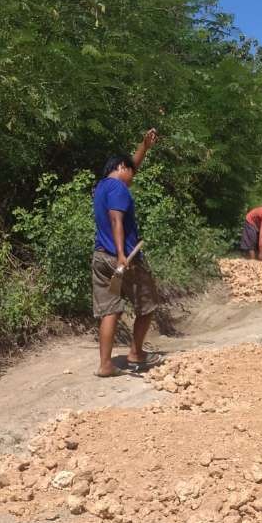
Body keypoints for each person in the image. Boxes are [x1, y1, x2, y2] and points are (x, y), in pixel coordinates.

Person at [92, 128, 164, 378]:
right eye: (131, 172)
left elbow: (132, 166)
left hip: (100, 257)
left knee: (109, 310)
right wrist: (123, 254)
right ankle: (135, 353)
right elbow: (116, 220)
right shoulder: (119, 189)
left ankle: (105, 365)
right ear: (122, 168)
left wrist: (144, 147)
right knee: (148, 303)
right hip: (122, 259)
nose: (133, 177)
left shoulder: (101, 187)